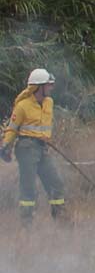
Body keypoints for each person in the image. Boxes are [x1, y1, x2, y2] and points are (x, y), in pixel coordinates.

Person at [1, 68, 65, 227]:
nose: (51, 87)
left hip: (43, 148)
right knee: (28, 187)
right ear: (38, 87)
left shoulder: (49, 102)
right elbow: (12, 128)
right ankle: (26, 224)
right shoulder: (22, 106)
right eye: (48, 85)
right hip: (26, 148)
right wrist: (5, 146)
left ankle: (60, 219)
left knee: (56, 183)